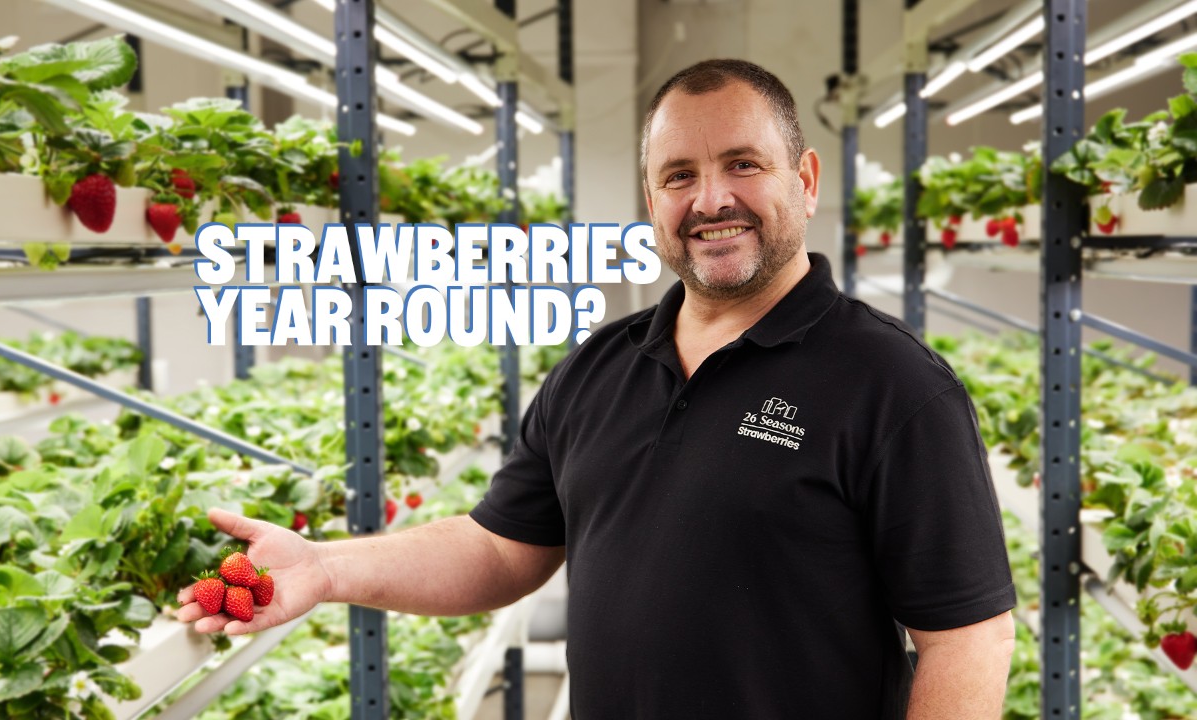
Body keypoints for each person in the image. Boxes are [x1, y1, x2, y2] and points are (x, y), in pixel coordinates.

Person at [179, 58, 1016, 719]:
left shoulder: (893, 385)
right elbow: (499, 549)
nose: (710, 198)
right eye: (679, 174)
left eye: (742, 164)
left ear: (804, 178)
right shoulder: (599, 368)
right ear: (651, 198)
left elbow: (968, 642)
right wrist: (326, 569)